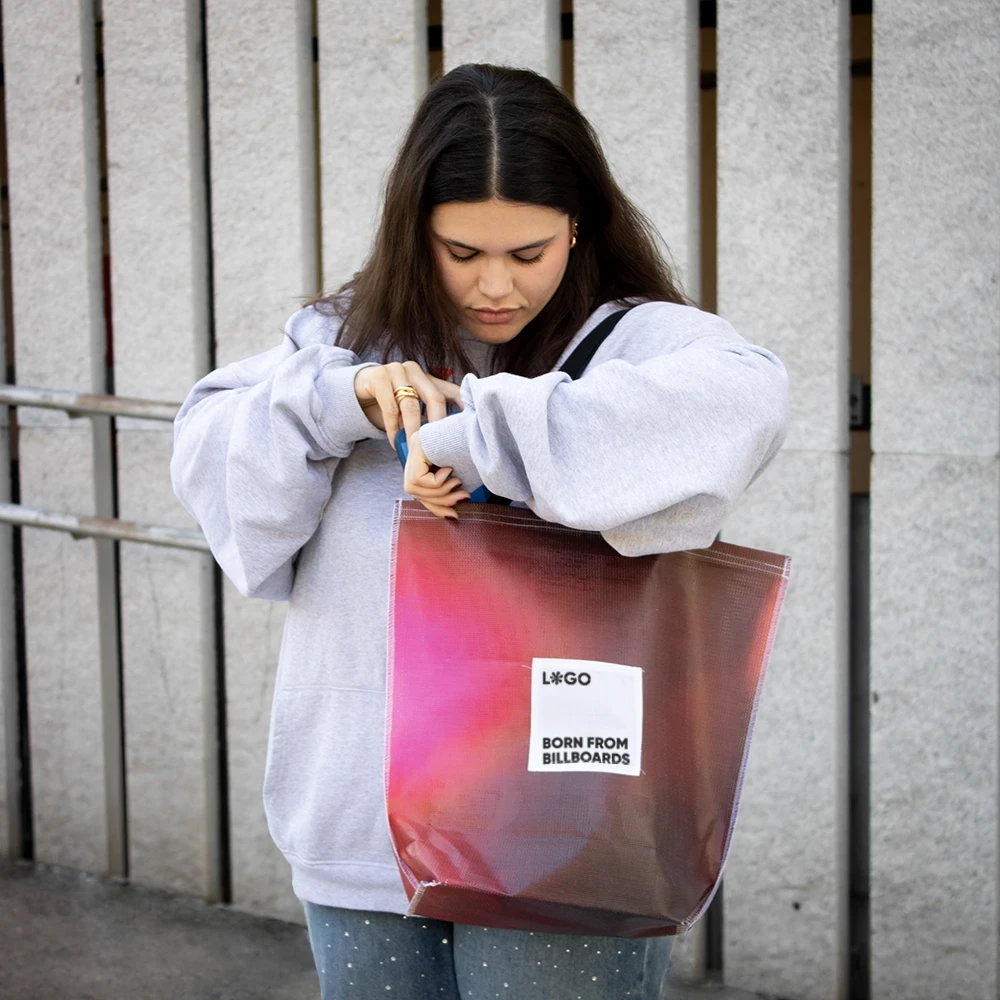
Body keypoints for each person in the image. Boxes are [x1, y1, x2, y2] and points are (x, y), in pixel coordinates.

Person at [171, 63, 788, 1000]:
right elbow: (221, 469)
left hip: (570, 827)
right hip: (363, 828)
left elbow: (745, 403)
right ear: (414, 231)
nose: (495, 286)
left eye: (528, 252)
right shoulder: (344, 343)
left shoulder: (636, 341)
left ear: (578, 227)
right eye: (461, 253)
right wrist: (347, 401)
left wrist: (470, 438)